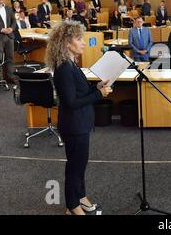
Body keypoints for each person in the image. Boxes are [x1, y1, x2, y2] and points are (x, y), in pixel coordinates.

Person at [46, 20, 112, 215]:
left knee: (80, 165)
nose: (83, 42)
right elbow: (71, 102)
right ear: (67, 43)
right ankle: (72, 206)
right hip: (74, 125)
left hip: (80, 123)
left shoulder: (71, 64)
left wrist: (96, 88)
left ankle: (81, 197)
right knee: (74, 167)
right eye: (78, 39)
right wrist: (99, 95)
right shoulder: (64, 68)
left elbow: (79, 91)